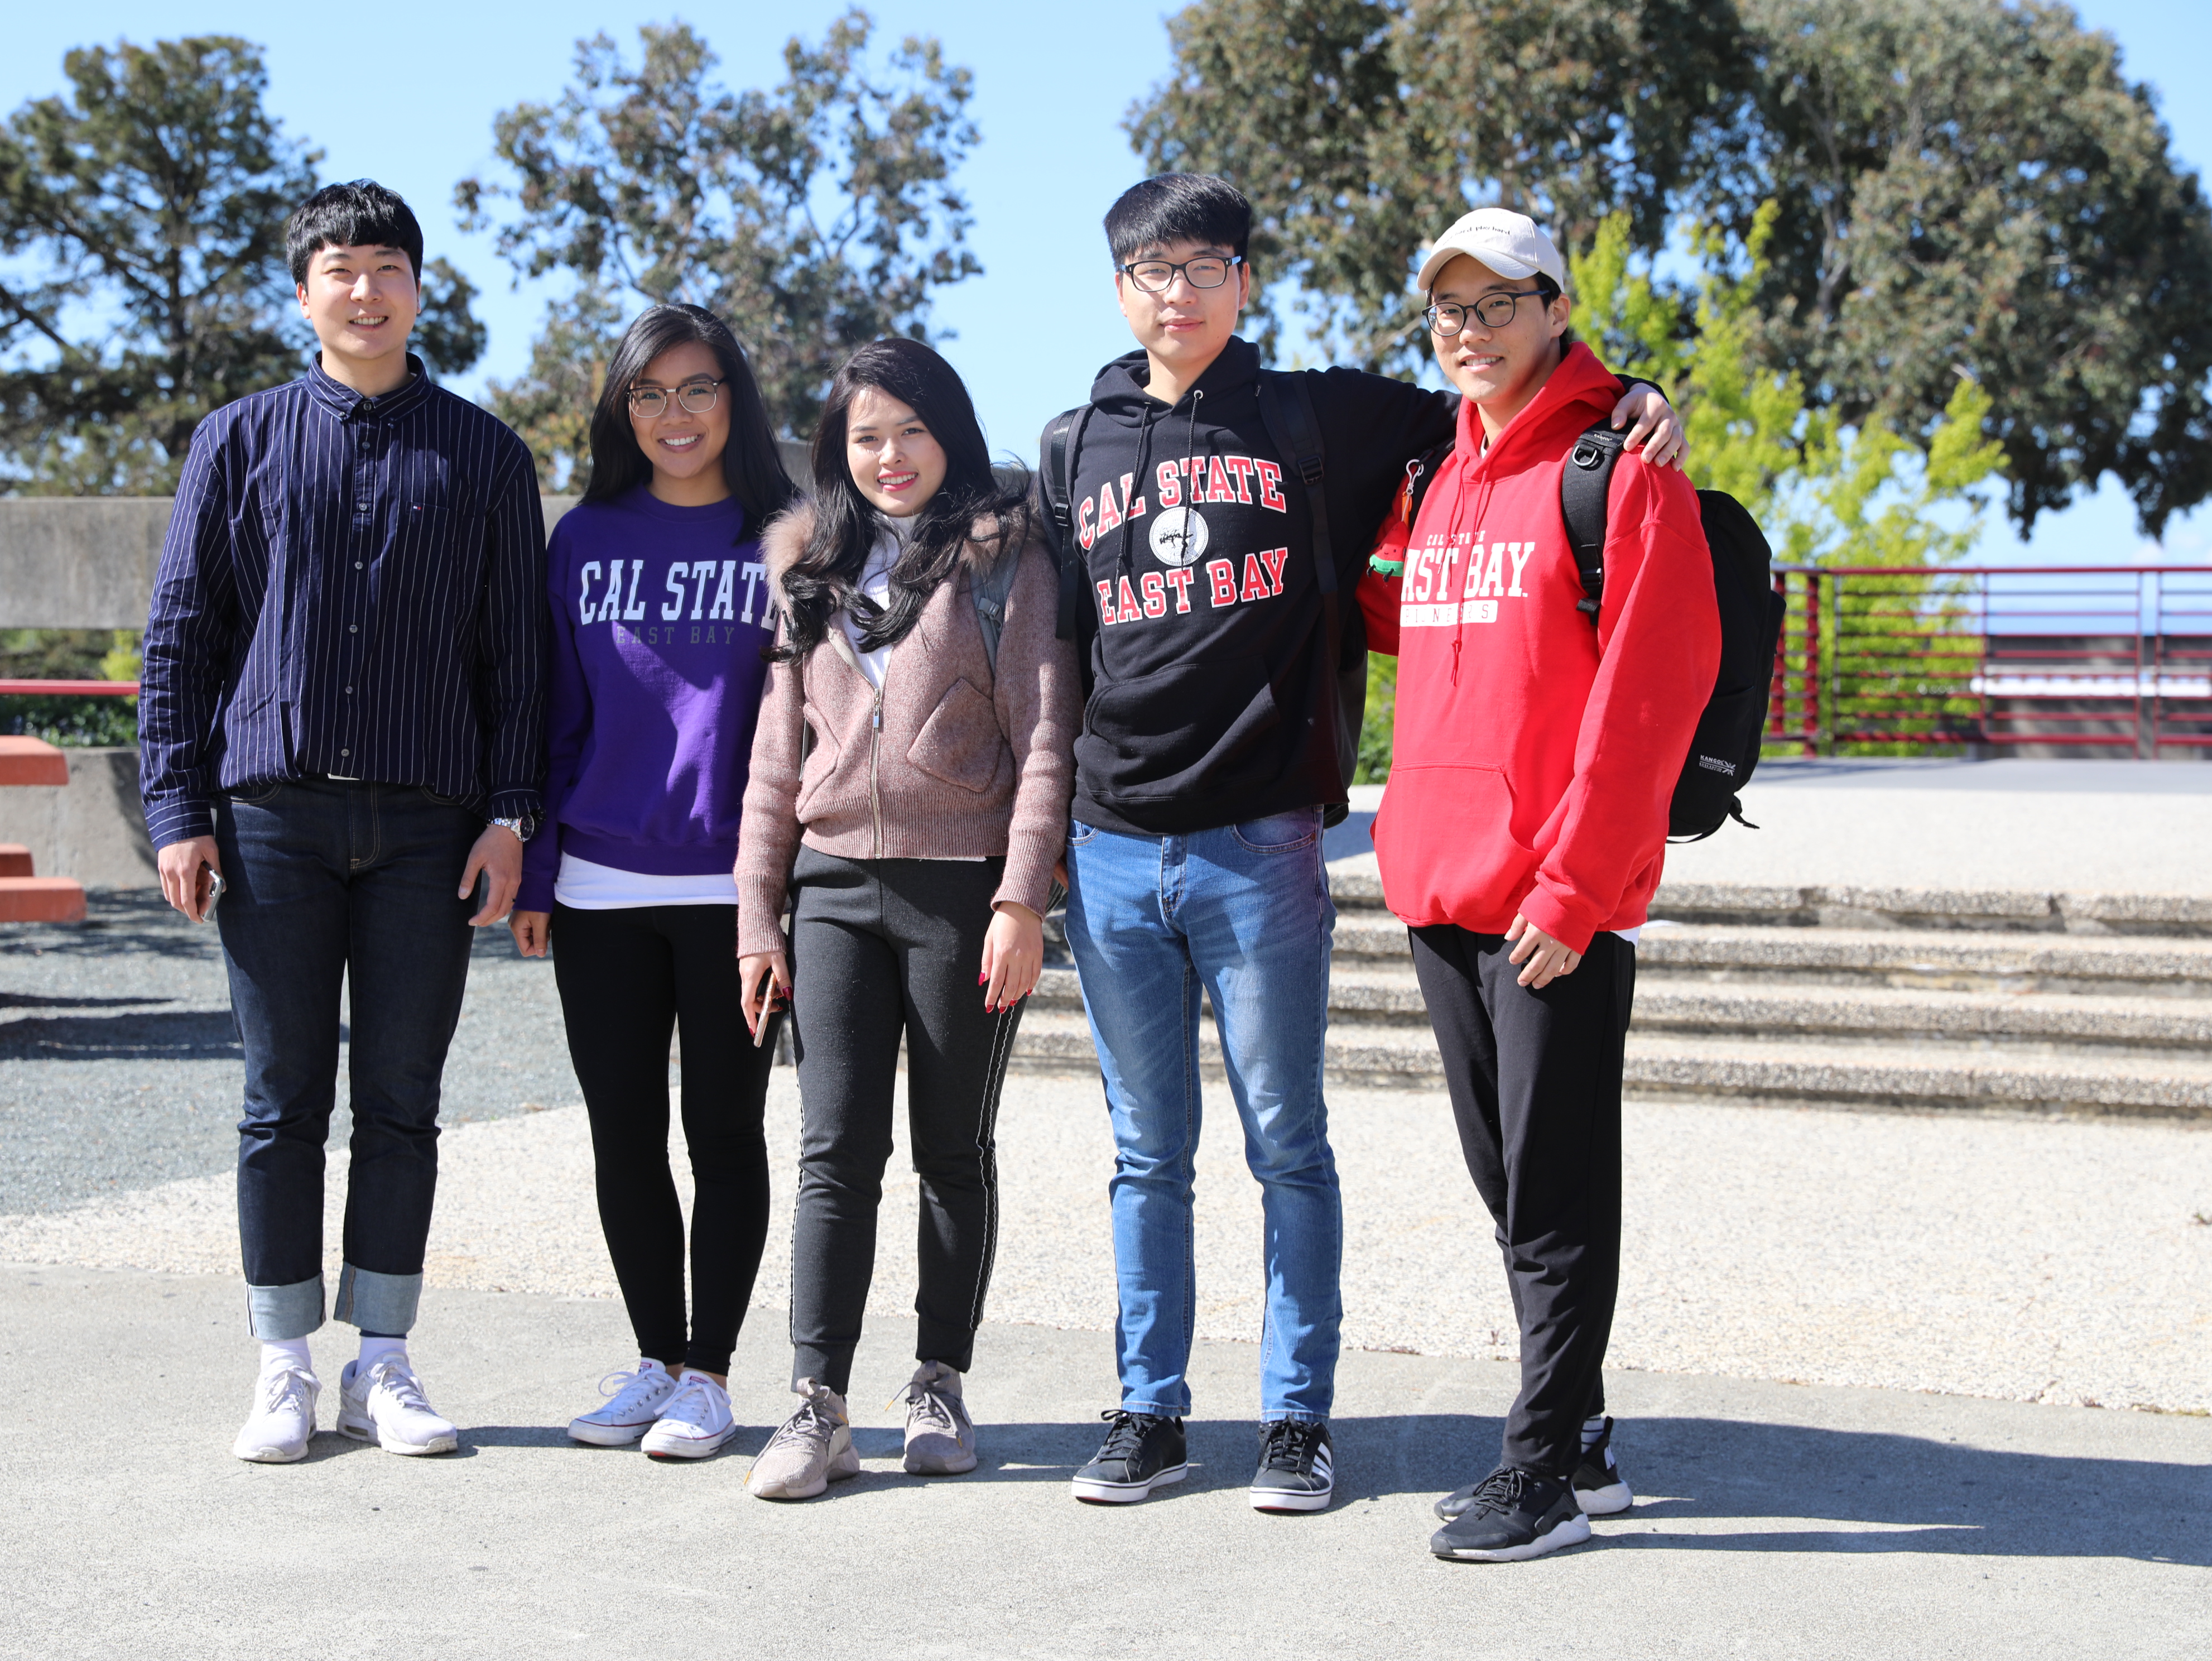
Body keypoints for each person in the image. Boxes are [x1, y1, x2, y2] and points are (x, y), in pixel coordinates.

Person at [1045, 174, 1687, 1513]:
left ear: (1244, 280)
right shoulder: (1077, 445)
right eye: (1152, 270)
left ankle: (1336, 1427)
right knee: (1157, 1154)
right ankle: (1157, 1413)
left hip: (1296, 851)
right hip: (1161, 853)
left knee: (1307, 1146)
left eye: (1205, 264)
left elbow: (1635, 665)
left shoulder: (1332, 416)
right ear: (1119, 289)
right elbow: (1058, 655)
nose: (1178, 290)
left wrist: (1631, 394)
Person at [140, 180, 546, 1465]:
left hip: (433, 826)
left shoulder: (484, 455)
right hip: (271, 817)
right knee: (280, 1100)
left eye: (386, 268)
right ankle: (281, 1363)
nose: (363, 290)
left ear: (420, 290)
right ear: (304, 291)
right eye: (338, 268)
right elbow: (181, 637)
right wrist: (176, 809)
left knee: (404, 1099)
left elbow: (517, 660)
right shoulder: (239, 441)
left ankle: (384, 1360)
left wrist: (512, 815)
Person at [1363, 208, 1717, 1561]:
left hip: (1547, 902)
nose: (1470, 331)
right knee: (1509, 1183)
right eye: (1448, 309)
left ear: (1556, 308)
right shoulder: (1439, 478)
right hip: (1441, 888)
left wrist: (1575, 889)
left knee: (1556, 1195)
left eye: (1497, 304)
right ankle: (1580, 1432)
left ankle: (1542, 1475)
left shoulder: (1621, 467)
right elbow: (1393, 614)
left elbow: (1652, 691)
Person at [732, 338, 1082, 1500]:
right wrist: (757, 917)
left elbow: (1045, 741)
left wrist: (1022, 897)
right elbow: (774, 763)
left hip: (960, 892)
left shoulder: (1004, 563)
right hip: (831, 890)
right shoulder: (806, 571)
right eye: (865, 435)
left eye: (911, 430)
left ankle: (939, 1379)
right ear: (839, 448)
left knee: (951, 1150)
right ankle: (814, 1403)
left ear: (951, 434)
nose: (889, 456)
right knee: (835, 1149)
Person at [507, 305, 797, 1461]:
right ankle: (657, 1362)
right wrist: (537, 868)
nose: (676, 415)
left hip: (736, 893)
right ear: (622, 411)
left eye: (698, 388)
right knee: (623, 1134)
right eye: (651, 394)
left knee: (724, 1130)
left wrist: (779, 892)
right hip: (598, 888)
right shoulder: (583, 539)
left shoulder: (786, 535)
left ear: (735, 398)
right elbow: (555, 717)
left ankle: (713, 1375)